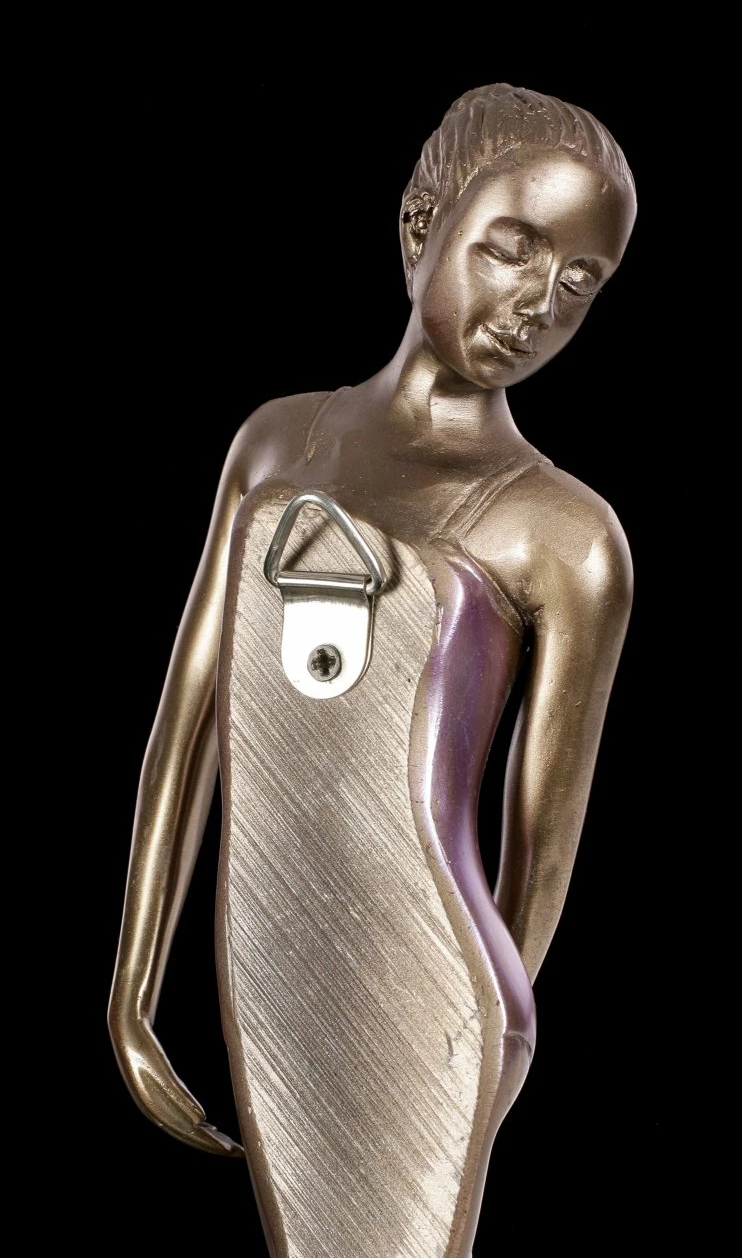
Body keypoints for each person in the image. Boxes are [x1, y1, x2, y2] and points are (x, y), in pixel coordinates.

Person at [109, 82, 637, 1256]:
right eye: (513, 246)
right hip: (265, 962)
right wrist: (131, 981)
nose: (536, 302)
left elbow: (540, 852)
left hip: (434, 990)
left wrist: (474, 1048)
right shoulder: (276, 443)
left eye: (579, 283)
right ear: (421, 225)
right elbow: (187, 728)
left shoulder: (565, 536)